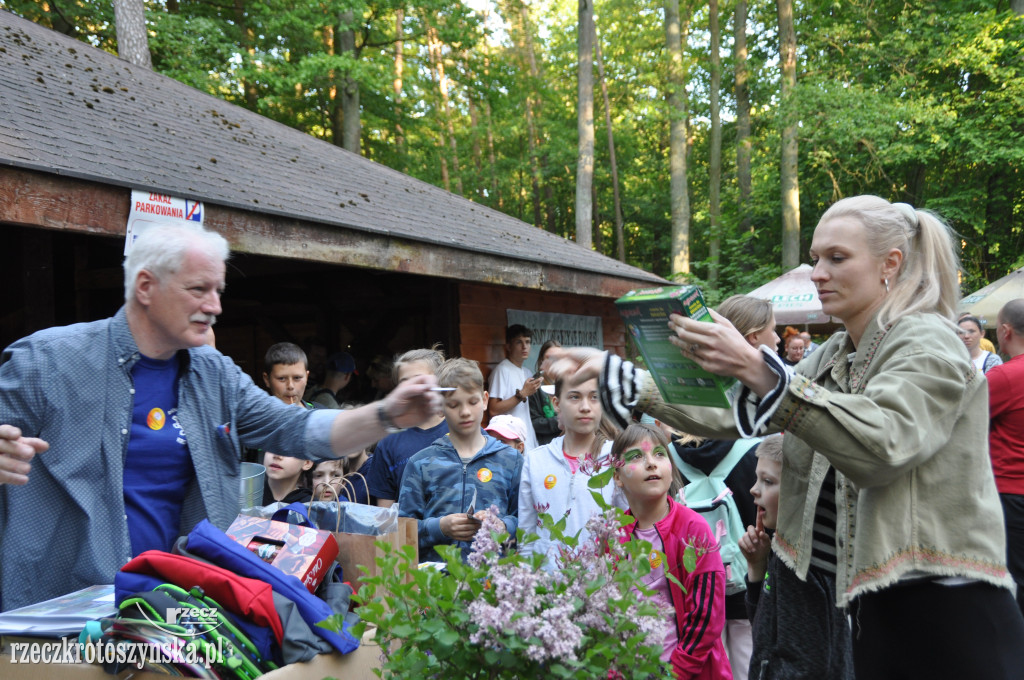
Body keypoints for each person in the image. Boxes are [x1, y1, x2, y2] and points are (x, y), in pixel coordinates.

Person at [548, 195, 1024, 679]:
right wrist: (626, 381)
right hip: (865, 606)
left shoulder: (928, 340)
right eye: (817, 257)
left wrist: (761, 370)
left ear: (891, 263)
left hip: (942, 610)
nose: (818, 272)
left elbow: (882, 446)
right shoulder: (838, 351)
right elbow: (735, 416)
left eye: (836, 258)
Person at [0, 223, 440, 611]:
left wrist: (386, 413)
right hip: (64, 616)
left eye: (218, 291)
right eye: (198, 289)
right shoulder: (47, 362)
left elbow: (302, 429)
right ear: (146, 287)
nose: (215, 307)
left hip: (181, 609)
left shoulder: (216, 375)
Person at [671, 293, 777, 680]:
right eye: (773, 332)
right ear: (749, 340)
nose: (779, 342)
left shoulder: (678, 432)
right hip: (750, 582)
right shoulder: (762, 431)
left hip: (697, 588)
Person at [612, 422, 732, 680]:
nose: (651, 463)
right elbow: (608, 612)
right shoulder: (614, 536)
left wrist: (674, 674)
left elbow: (706, 617)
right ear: (617, 477)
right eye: (636, 457)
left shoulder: (693, 528)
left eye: (659, 454)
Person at [738, 435, 853, 679]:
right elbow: (766, 631)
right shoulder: (784, 549)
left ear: (802, 492)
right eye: (757, 478)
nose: (753, 489)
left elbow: (805, 663)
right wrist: (757, 568)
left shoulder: (797, 562)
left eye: (768, 481)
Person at [398, 358, 522, 563]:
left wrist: (502, 526)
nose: (465, 412)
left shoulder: (511, 460)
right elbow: (402, 530)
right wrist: (439, 528)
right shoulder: (421, 463)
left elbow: (528, 522)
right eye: (454, 405)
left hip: (492, 584)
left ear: (484, 400)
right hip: (436, 585)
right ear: (439, 408)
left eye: (472, 402)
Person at [518, 375, 628, 570]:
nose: (585, 406)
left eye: (594, 397)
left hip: (602, 585)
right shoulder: (536, 460)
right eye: (575, 397)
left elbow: (629, 525)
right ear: (557, 403)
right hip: (547, 584)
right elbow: (526, 533)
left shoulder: (617, 459)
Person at [360, 347, 449, 507]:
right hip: (409, 531)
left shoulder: (460, 431)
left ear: (439, 382)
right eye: (404, 383)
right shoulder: (389, 442)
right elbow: (385, 514)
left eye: (418, 380)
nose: (412, 388)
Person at [987, 299, 1024, 618]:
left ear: (1005, 331)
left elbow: (961, 421)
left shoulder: (1004, 377)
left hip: (1011, 492)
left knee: (1014, 580)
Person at [487, 324, 541, 451]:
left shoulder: (527, 372)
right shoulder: (502, 370)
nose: (524, 347)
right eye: (519, 342)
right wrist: (522, 394)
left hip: (528, 438)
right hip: (510, 441)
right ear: (508, 346)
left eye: (527, 342)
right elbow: (493, 410)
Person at [262, 342, 318, 408]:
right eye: (281, 378)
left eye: (297, 378)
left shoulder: (321, 414)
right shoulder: (257, 417)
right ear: (267, 380)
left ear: (306, 377)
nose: (290, 386)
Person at [529, 339, 563, 446]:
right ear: (541, 360)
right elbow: (534, 422)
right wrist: (561, 421)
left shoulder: (569, 382)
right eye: (549, 358)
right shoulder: (534, 385)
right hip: (547, 445)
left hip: (571, 445)